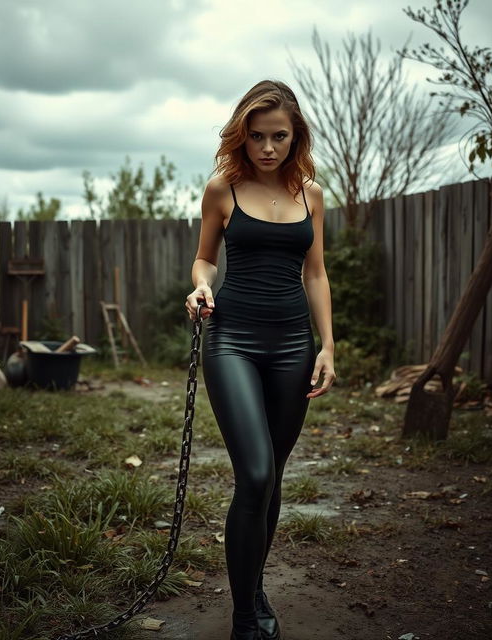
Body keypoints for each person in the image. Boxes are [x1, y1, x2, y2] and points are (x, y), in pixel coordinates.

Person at [185, 79, 336, 640]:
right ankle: (244, 616)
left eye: (278, 136)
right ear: (241, 136)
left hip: (292, 346)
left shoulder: (311, 195)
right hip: (232, 341)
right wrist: (201, 287)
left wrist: (327, 345)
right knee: (253, 473)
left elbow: (316, 273)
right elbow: (203, 260)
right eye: (256, 137)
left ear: (295, 137)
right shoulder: (222, 188)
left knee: (272, 476)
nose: (267, 147)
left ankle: (252, 583)